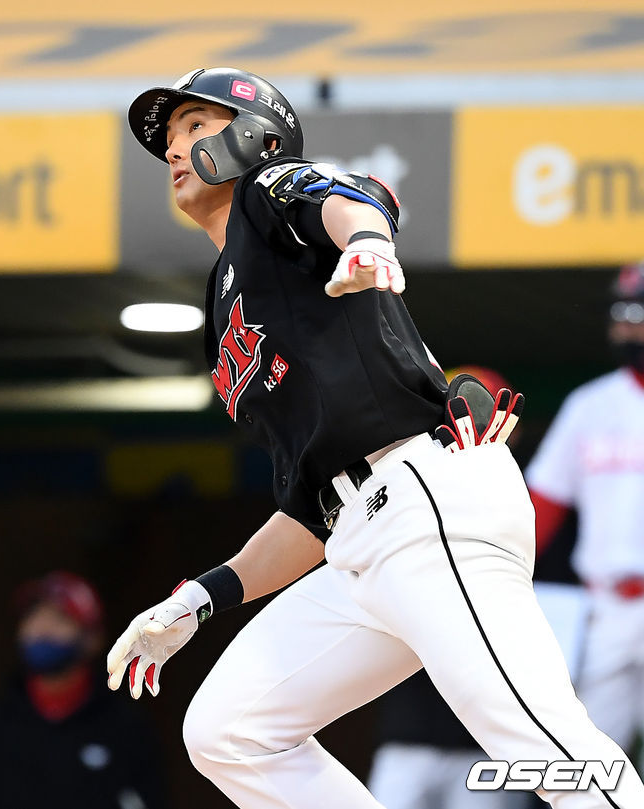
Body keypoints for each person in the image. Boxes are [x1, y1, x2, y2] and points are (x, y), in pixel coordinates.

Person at [106, 67, 644, 809]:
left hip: (424, 500)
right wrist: (199, 597)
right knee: (229, 728)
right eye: (168, 137)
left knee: (543, 741)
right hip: (361, 534)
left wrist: (366, 244)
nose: (174, 148)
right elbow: (310, 514)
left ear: (256, 133)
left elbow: (353, 197)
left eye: (195, 126)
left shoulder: (270, 190)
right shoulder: (228, 283)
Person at [365, 368, 526, 809]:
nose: (461, 420)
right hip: (409, 730)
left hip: (489, 741)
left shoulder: (522, 499)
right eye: (451, 408)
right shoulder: (400, 483)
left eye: (476, 408)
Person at [524, 262, 644, 760]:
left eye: (636, 314)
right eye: (619, 315)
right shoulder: (589, 404)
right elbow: (540, 509)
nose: (625, 327)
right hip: (606, 608)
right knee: (583, 764)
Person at [0, 571, 167, 809]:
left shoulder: (127, 728)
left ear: (93, 638)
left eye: (59, 618)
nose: (41, 628)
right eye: (33, 616)